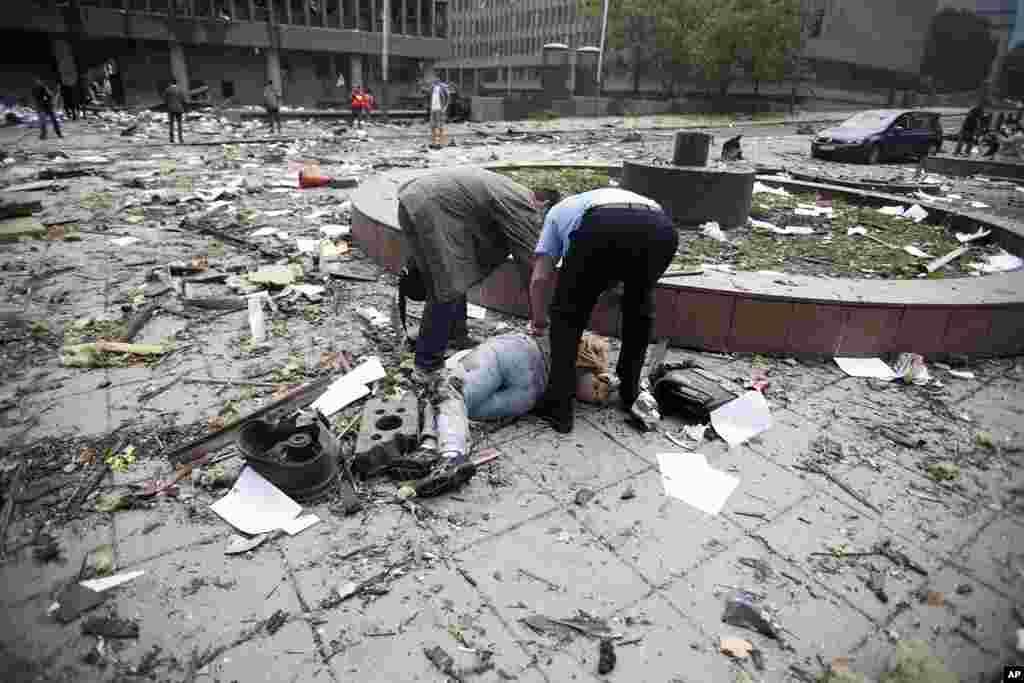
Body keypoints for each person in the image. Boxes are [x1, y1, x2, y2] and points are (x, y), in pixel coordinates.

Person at [529, 187, 679, 433]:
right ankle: (629, 393)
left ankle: (559, 408)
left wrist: (538, 321)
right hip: (661, 230)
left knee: (567, 318)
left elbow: (540, 278)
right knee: (638, 311)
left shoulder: (556, 213)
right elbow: (617, 278)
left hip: (600, 227)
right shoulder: (612, 197)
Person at [396, 168, 557, 385]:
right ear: (544, 206)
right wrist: (540, 319)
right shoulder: (525, 206)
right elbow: (531, 266)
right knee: (447, 287)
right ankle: (427, 366)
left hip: (419, 201)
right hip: (429, 207)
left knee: (455, 274)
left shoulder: (513, 193)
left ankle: (455, 336)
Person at [385, 330, 611, 481]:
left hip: (518, 353)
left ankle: (450, 454)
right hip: (530, 394)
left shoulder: (565, 334)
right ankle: (430, 451)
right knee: (461, 407)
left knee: (448, 390)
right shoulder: (582, 369)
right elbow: (588, 391)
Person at [428, 79, 450, 148]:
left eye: (436, 81)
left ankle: (441, 143)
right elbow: (429, 96)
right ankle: (434, 143)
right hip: (433, 109)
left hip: (440, 109)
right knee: (433, 126)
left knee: (440, 126)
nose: (434, 82)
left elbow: (448, 97)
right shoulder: (432, 88)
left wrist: (445, 108)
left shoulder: (443, 88)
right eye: (434, 82)